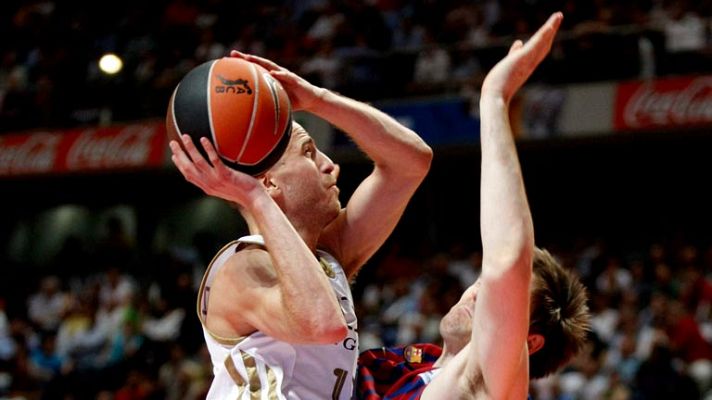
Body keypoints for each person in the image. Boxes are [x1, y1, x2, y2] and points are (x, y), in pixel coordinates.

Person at [169, 50, 433, 399]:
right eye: (309, 152)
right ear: (269, 183)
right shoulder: (241, 269)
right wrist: (255, 197)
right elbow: (322, 324)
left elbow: (411, 163)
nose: (331, 165)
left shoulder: (326, 256)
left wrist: (318, 99)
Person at [356, 12, 591, 399]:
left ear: (527, 343)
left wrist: (494, 100)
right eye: (481, 282)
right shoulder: (399, 365)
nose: (478, 291)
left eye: (500, 297)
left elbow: (507, 259)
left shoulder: (489, 388)